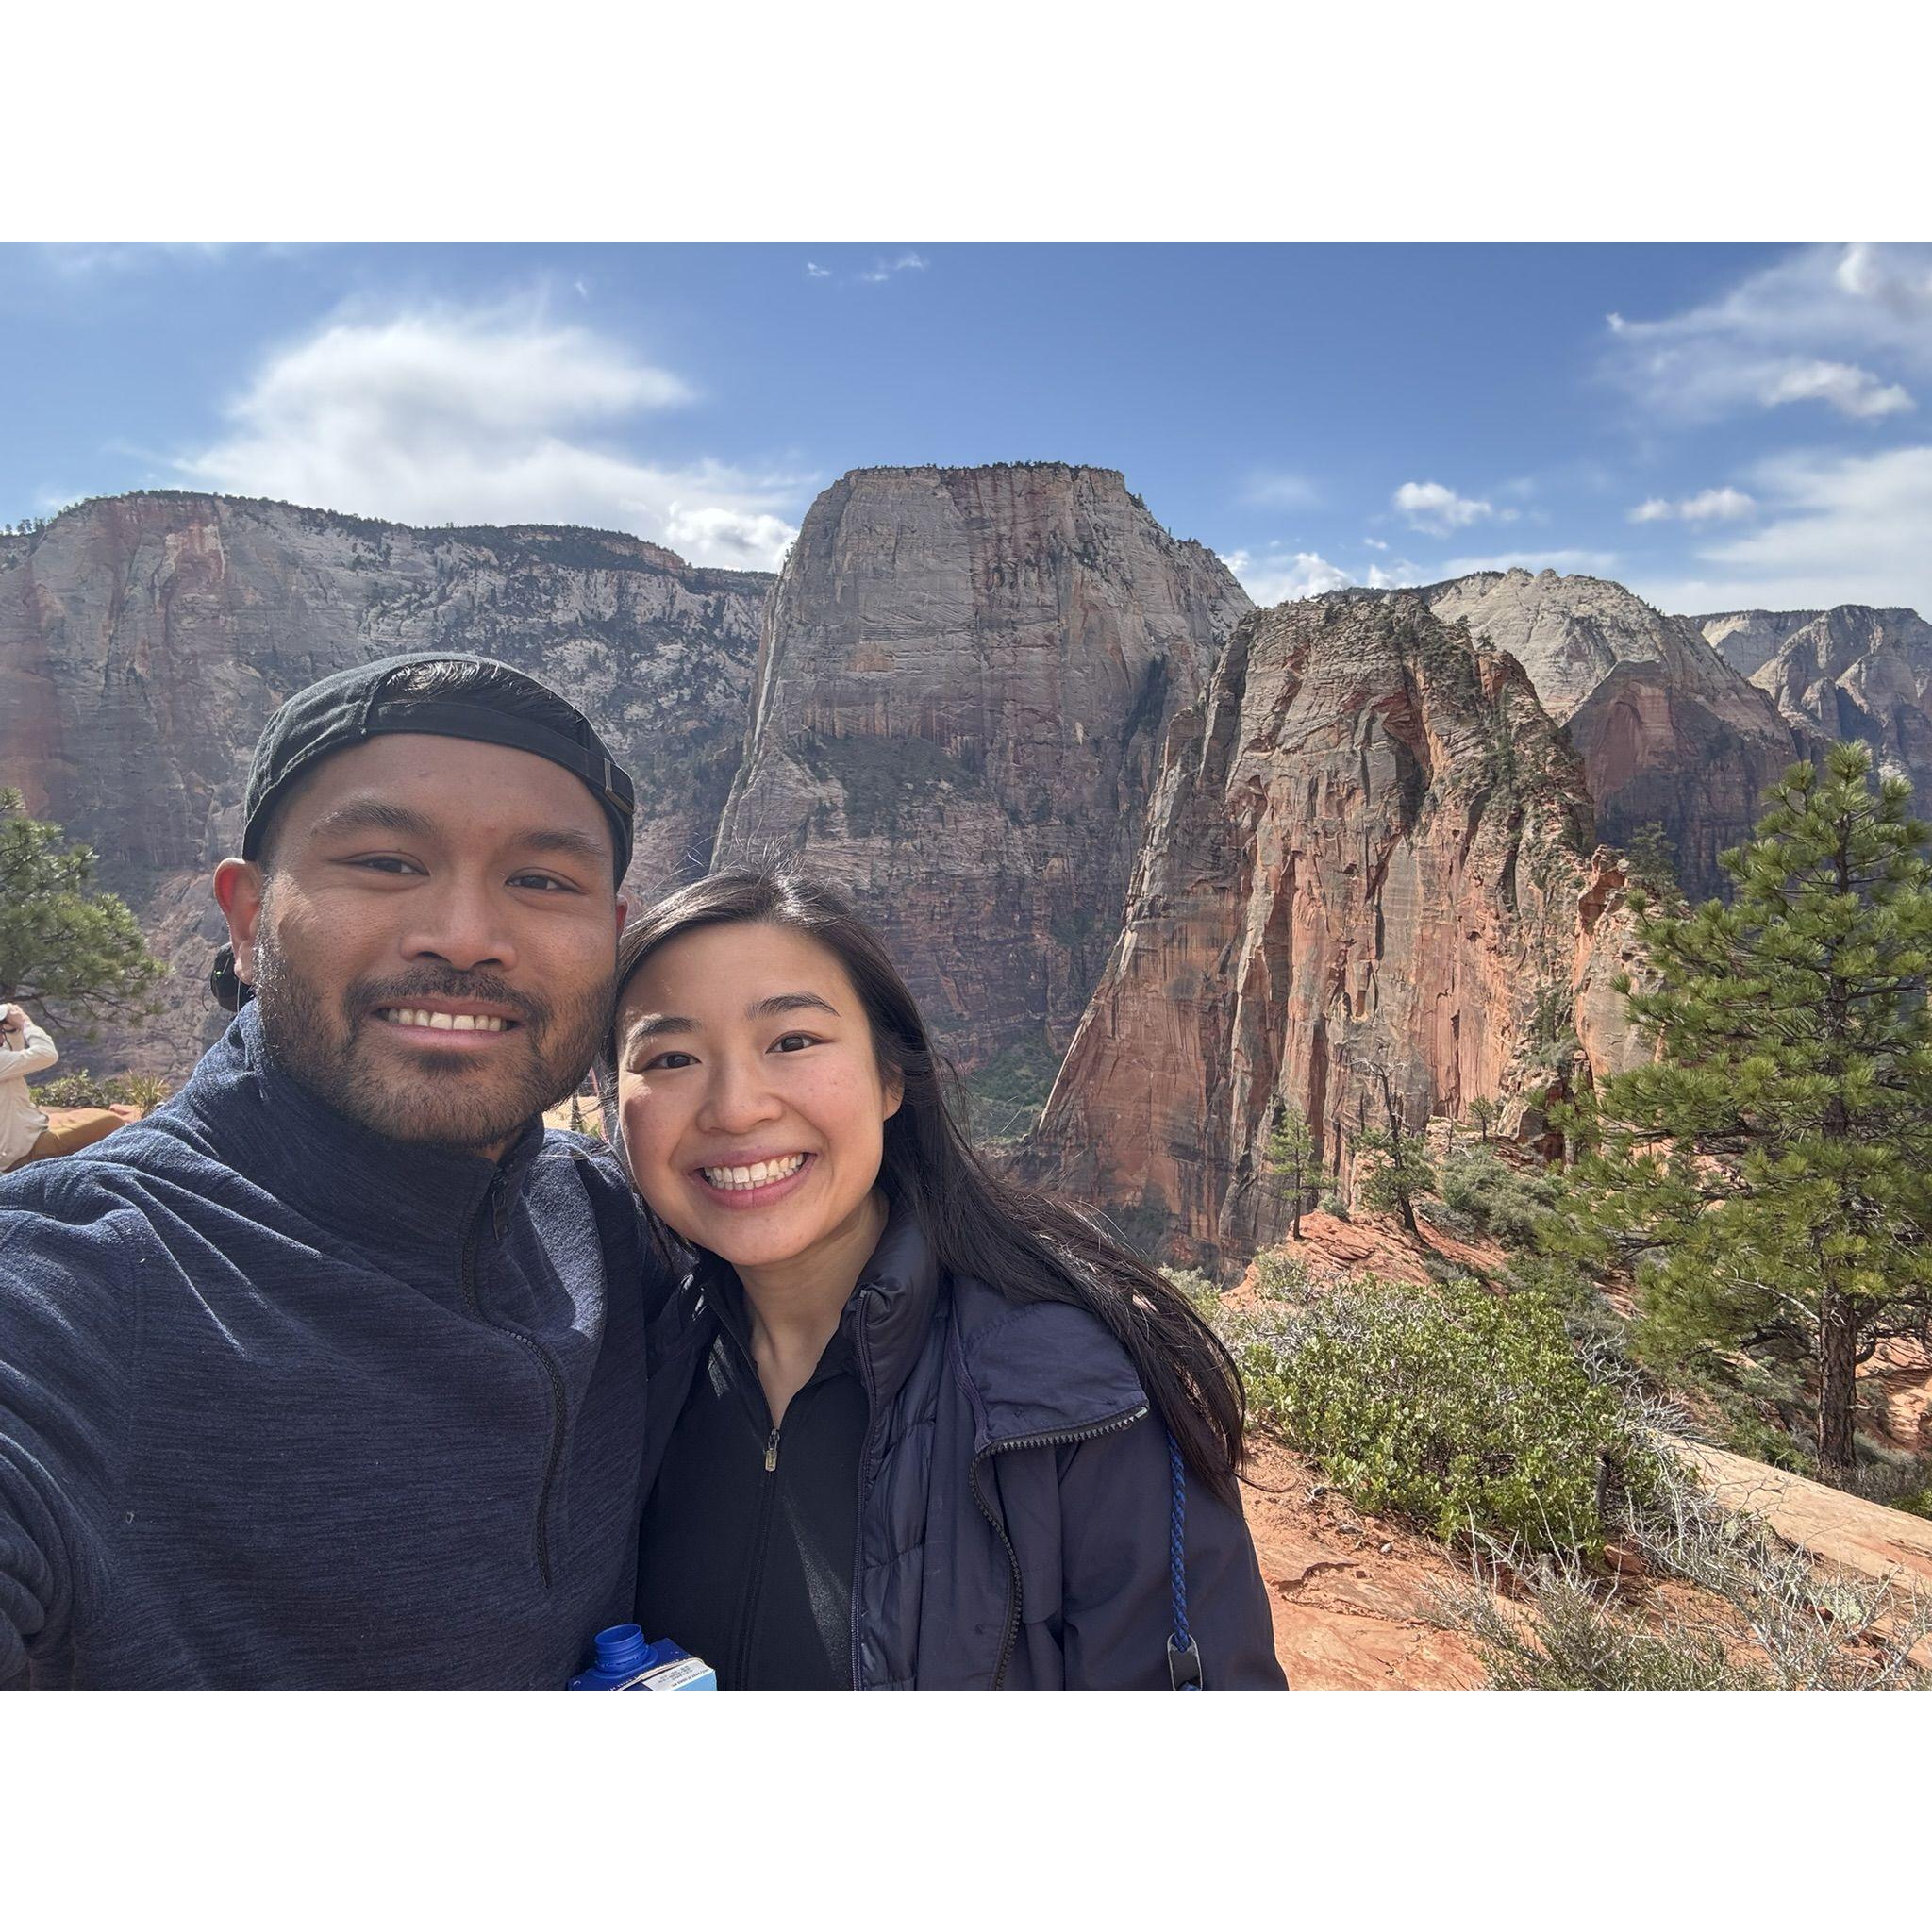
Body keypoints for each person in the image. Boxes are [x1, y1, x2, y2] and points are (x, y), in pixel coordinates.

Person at [0, 653, 659, 1689]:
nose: (466, 936)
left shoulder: (617, 1220)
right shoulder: (78, 1280)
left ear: (610, 938)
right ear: (246, 919)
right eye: (386, 861)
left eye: (541, 879)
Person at [610, 866, 1287, 1690]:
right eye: (672, 1056)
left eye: (792, 1041)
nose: (735, 1107)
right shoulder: (623, 1367)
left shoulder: (1076, 1400)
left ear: (892, 1078)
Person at [0, 1005, 125, 1173]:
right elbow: (47, 1054)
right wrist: (25, 1023)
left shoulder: (5, 1064)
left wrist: (12, 1031)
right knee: (111, 1123)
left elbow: (15, 1053)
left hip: (24, 1142)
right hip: (25, 1152)